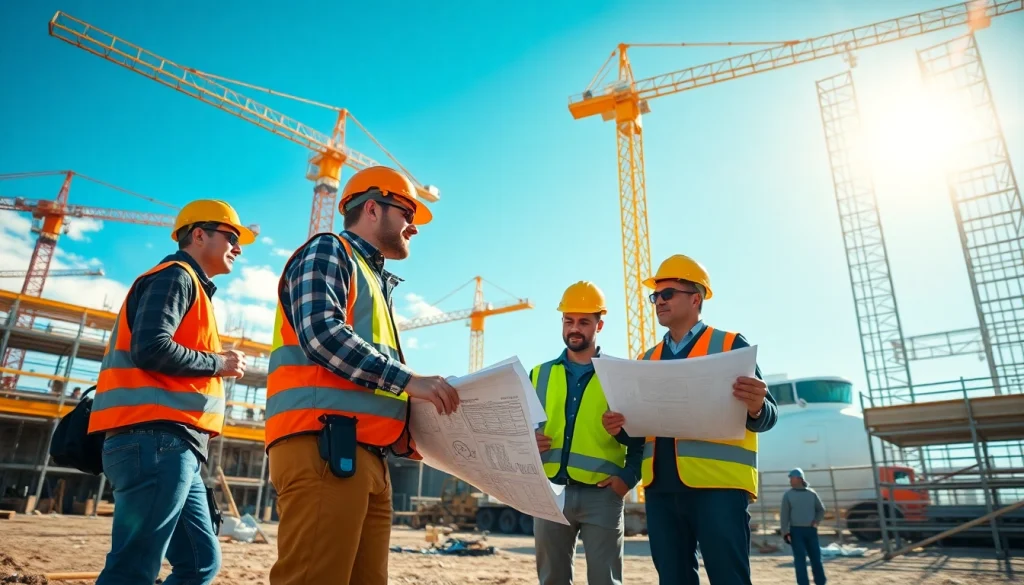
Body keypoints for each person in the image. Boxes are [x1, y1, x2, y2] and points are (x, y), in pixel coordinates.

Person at [265, 165, 461, 585]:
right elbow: (322, 333)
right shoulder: (329, 250)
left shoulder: (372, 277)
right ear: (372, 208)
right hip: (323, 447)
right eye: (407, 212)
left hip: (368, 457)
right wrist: (411, 381)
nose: (414, 227)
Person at [89, 200, 255, 585]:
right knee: (132, 569)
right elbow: (150, 348)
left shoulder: (189, 285)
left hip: (174, 446)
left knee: (200, 563)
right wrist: (220, 363)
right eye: (232, 236)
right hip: (155, 441)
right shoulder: (175, 276)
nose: (239, 247)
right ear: (199, 235)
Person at [603, 254, 779, 585]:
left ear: (695, 298)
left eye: (667, 293)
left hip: (719, 489)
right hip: (661, 491)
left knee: (729, 578)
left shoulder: (730, 345)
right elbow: (642, 434)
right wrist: (622, 429)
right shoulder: (647, 358)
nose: (658, 302)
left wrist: (757, 406)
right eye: (655, 296)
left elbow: (767, 416)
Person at [531, 281, 644, 585]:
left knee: (605, 582)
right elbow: (518, 429)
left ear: (600, 324)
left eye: (584, 322)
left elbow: (644, 438)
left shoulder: (621, 376)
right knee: (551, 580)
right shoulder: (538, 374)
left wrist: (628, 478)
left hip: (603, 495)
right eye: (569, 321)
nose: (575, 328)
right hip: (551, 493)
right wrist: (526, 444)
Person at [781, 468, 827, 585]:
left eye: (792, 478)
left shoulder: (811, 494)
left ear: (800, 479)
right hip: (796, 532)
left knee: (816, 559)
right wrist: (785, 532)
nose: (790, 480)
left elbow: (821, 510)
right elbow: (784, 515)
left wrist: (816, 521)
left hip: (811, 531)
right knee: (800, 561)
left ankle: (820, 582)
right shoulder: (788, 495)